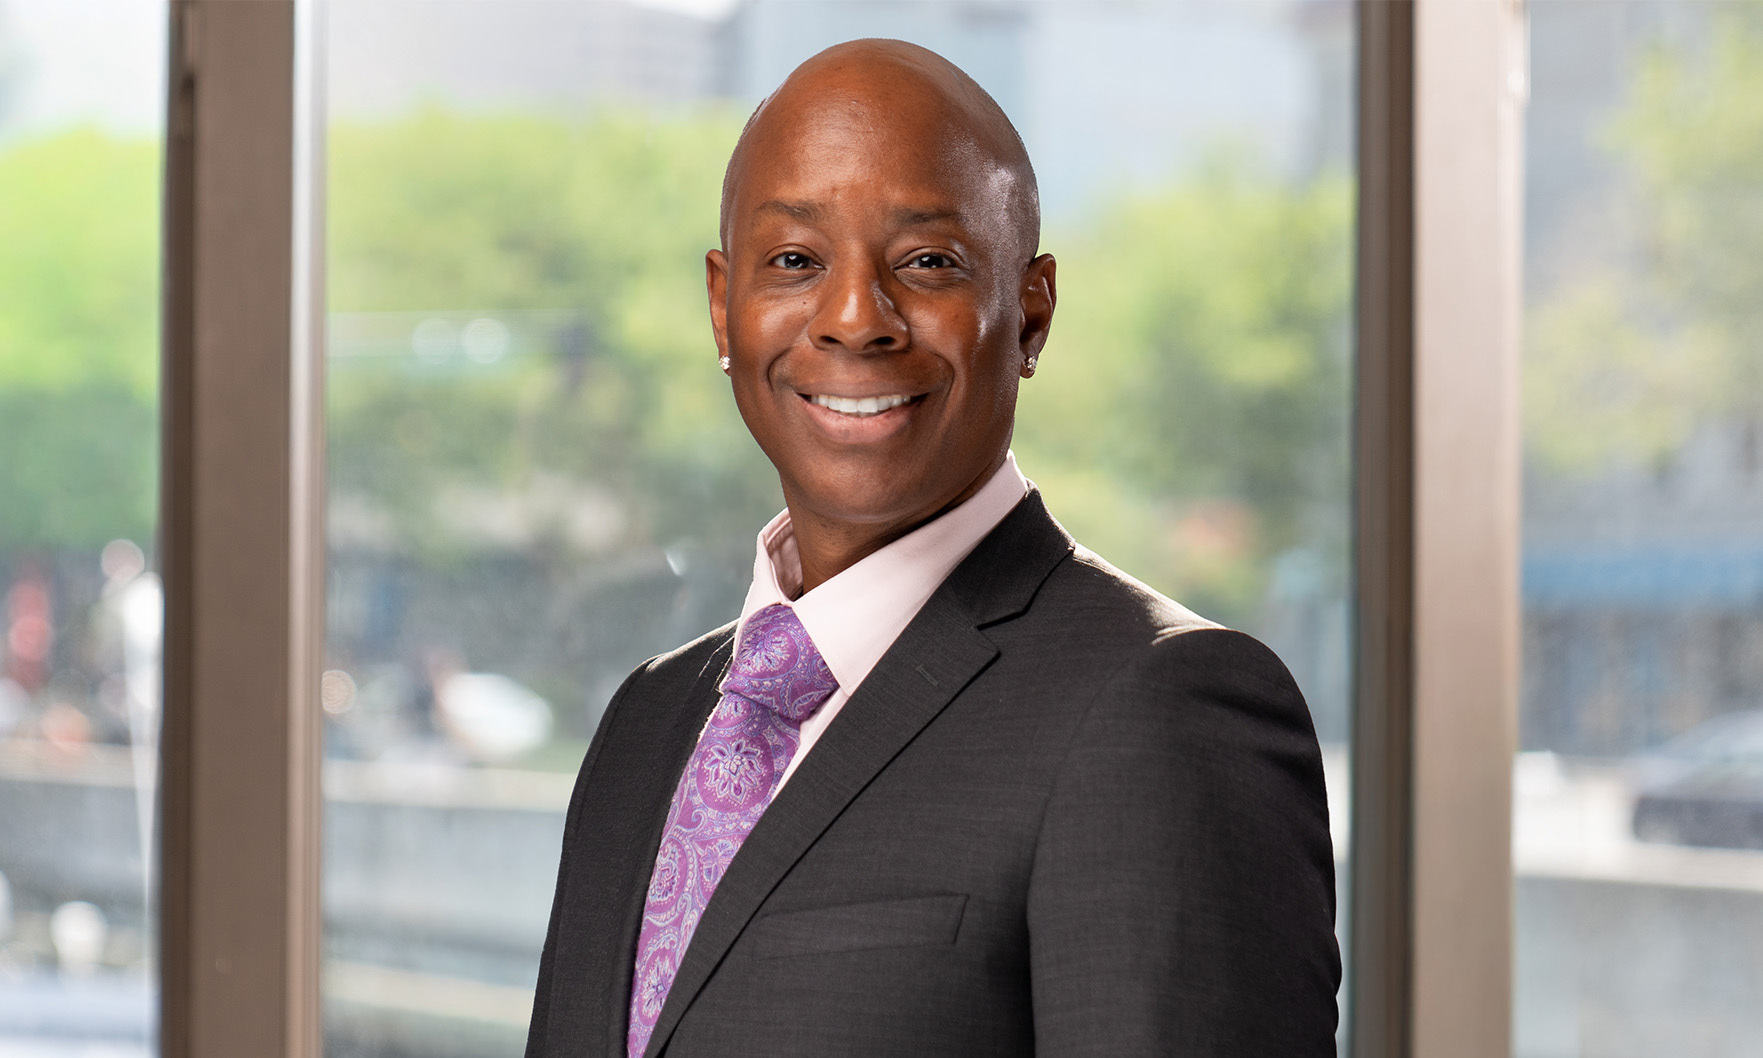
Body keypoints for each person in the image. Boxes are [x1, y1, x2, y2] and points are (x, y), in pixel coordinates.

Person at [525, 38, 1340, 1058]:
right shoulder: (646, 722)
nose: (853, 319)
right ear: (722, 308)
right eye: (795, 261)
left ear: (1030, 314)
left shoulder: (1161, 709)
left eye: (926, 263)